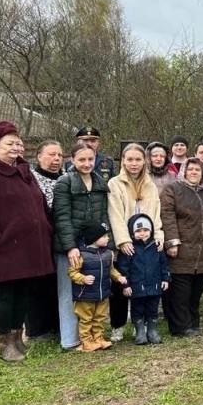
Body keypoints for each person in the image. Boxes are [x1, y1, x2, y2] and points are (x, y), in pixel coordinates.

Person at [0, 121, 54, 362]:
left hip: (30, 247)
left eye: (18, 143)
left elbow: (40, 205)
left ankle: (18, 338)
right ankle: (5, 343)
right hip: (4, 248)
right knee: (5, 296)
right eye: (9, 143)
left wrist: (45, 230)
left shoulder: (25, 172)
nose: (16, 147)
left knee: (23, 294)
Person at [52, 142, 112, 351]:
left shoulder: (100, 183)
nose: (87, 163)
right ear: (72, 160)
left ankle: (94, 334)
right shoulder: (64, 182)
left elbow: (103, 216)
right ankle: (70, 338)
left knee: (92, 288)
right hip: (71, 245)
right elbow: (61, 217)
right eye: (82, 159)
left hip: (93, 246)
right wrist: (70, 247)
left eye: (90, 159)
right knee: (68, 291)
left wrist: (107, 242)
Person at [160, 158, 203, 336]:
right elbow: (167, 216)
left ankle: (193, 322)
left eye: (198, 170)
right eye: (190, 169)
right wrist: (172, 240)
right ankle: (180, 327)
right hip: (181, 250)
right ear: (184, 171)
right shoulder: (173, 190)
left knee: (196, 291)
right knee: (181, 293)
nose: (194, 172)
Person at [108, 143, 164, 342]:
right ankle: (118, 325)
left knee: (145, 283)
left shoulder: (150, 184)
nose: (134, 163)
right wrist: (123, 240)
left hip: (147, 241)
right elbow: (114, 214)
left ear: (144, 161)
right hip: (127, 243)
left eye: (138, 159)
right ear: (123, 161)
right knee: (122, 284)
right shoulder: (115, 184)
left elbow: (156, 213)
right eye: (130, 159)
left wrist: (158, 235)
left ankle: (141, 323)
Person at [68, 221, 128, 351]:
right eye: (104, 236)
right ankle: (86, 341)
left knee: (100, 317)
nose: (108, 238)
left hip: (103, 294)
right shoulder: (81, 255)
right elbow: (72, 273)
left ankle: (98, 337)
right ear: (94, 238)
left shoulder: (108, 254)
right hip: (85, 295)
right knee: (86, 319)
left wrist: (118, 277)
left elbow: (111, 270)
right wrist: (83, 278)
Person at [27, 139, 63, 341]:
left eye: (59, 155)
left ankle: (57, 327)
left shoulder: (66, 178)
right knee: (37, 285)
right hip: (38, 240)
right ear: (39, 156)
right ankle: (37, 330)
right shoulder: (30, 179)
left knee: (56, 285)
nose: (56, 159)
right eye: (51, 154)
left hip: (61, 239)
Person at [116, 214, 170, 344]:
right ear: (132, 232)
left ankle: (152, 330)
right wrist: (126, 285)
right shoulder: (130, 249)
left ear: (151, 231)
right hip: (137, 287)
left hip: (155, 285)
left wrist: (166, 279)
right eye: (138, 231)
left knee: (153, 308)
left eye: (145, 230)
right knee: (137, 309)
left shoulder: (157, 246)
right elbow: (124, 268)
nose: (142, 233)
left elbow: (164, 264)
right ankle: (140, 331)